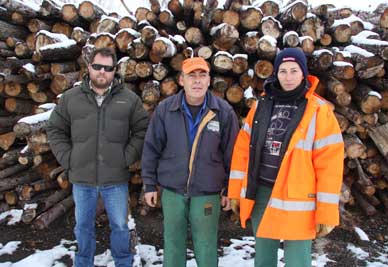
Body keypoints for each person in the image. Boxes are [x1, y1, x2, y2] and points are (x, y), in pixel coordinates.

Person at [228, 48, 344, 267]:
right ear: (276, 74)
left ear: (303, 73)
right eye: (283, 71)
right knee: (263, 258)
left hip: (299, 198)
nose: (288, 77)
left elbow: (330, 165)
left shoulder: (319, 111)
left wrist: (327, 212)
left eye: (294, 70)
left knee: (297, 260)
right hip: (262, 192)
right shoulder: (261, 105)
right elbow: (243, 151)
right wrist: (236, 192)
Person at [46, 48, 149, 267]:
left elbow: (143, 129)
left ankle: (123, 262)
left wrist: (126, 157)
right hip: (82, 177)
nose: (102, 72)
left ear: (114, 71)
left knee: (120, 226)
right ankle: (84, 263)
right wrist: (68, 158)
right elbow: (54, 129)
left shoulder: (129, 99)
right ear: (89, 68)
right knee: (82, 227)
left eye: (108, 68)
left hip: (115, 178)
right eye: (97, 66)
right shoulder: (71, 98)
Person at [141, 57, 240, 267]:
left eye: (202, 75)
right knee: (173, 243)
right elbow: (151, 148)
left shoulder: (223, 112)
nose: (197, 81)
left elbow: (233, 155)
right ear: (181, 80)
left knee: (206, 246)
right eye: (191, 76)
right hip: (172, 190)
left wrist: (230, 189)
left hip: (208, 191)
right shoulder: (165, 110)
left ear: (209, 80)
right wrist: (149, 184)